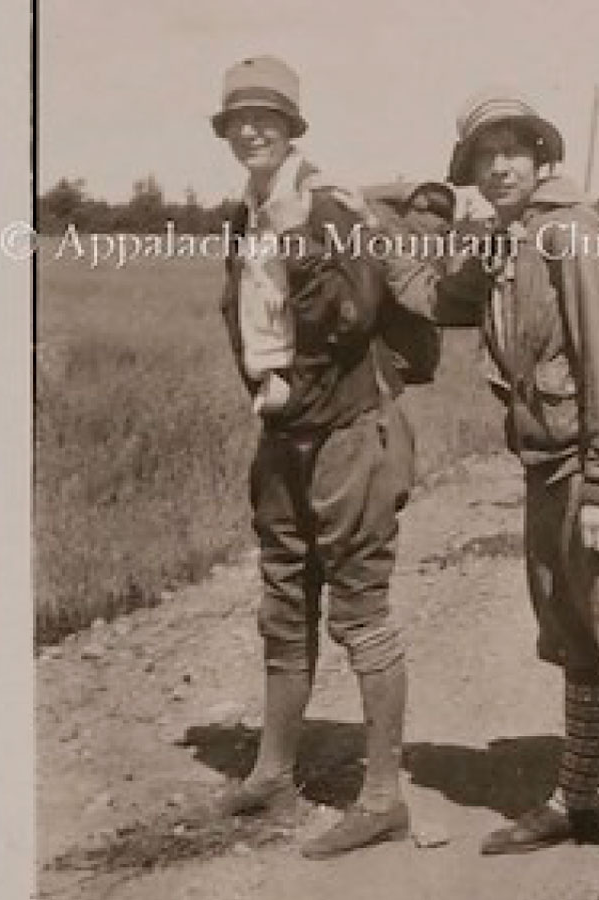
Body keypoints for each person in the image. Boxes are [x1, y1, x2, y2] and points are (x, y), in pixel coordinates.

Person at [406, 89, 599, 900]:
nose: (499, 165)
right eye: (482, 157)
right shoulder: (514, 239)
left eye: (513, 150)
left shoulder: (573, 232)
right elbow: (438, 298)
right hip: (550, 463)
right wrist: (424, 227)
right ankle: (579, 797)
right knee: (576, 637)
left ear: (541, 155)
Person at [210, 55, 415, 859]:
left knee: (359, 606)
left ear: (293, 127)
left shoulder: (324, 207)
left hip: (346, 433)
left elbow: (350, 316)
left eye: (267, 117)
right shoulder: (246, 210)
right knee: (283, 599)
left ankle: (383, 796)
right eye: (237, 119)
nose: (251, 129)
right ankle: (272, 771)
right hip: (285, 432)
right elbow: (251, 326)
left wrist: (299, 241)